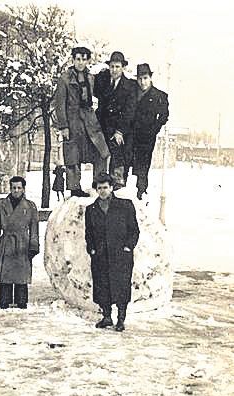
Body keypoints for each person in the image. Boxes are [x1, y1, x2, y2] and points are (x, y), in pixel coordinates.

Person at [85, 173, 140, 332]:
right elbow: (89, 232)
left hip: (120, 255)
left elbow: (134, 230)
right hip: (101, 255)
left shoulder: (125, 205)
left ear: (111, 188)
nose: (102, 191)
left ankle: (121, 319)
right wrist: (92, 249)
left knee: (121, 286)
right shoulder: (91, 209)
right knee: (103, 286)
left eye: (105, 187)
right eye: (99, 188)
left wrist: (128, 247)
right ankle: (107, 316)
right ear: (96, 189)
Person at [54, 46, 110, 197]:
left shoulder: (91, 78)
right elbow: (59, 104)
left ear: (88, 61)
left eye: (84, 59)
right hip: (73, 122)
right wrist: (64, 126)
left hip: (90, 123)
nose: (80, 62)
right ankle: (74, 188)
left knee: (101, 152)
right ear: (73, 60)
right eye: (78, 59)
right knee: (73, 156)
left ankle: (98, 183)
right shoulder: (65, 78)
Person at [0, 176, 39, 310]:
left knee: (21, 274)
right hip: (7, 242)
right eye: (13, 188)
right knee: (6, 273)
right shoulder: (2, 205)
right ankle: (4, 300)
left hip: (23, 243)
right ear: (10, 188)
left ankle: (21, 301)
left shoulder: (30, 206)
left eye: (19, 188)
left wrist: (33, 246)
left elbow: (34, 228)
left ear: (23, 189)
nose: (16, 190)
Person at [94, 51, 137, 189]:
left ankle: (118, 180)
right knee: (100, 153)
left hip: (119, 128)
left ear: (123, 67)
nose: (114, 70)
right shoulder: (104, 81)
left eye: (117, 67)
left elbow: (129, 111)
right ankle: (99, 182)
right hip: (103, 125)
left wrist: (120, 131)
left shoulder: (130, 86)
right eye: (112, 66)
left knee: (118, 152)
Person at [132, 63, 169, 199]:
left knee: (143, 164)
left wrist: (153, 129)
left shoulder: (160, 96)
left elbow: (164, 116)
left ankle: (141, 192)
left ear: (150, 78)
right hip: (130, 134)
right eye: (140, 79)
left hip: (147, 136)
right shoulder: (132, 93)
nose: (142, 82)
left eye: (145, 78)